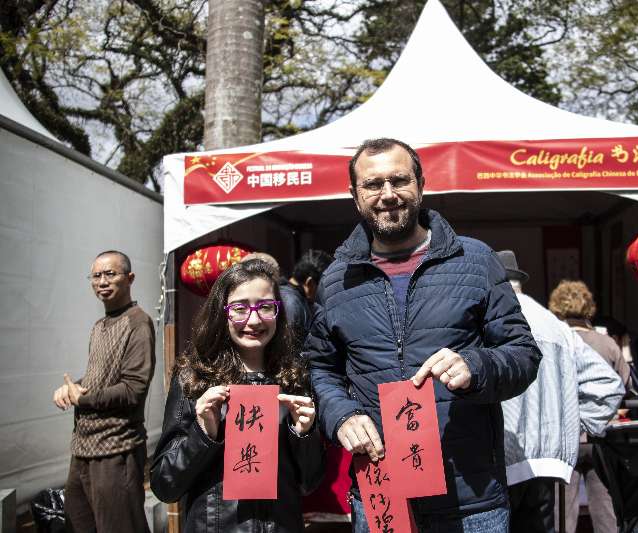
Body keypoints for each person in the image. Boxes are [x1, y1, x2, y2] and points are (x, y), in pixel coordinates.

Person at [305, 138, 540, 531]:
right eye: (373, 184)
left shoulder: (475, 260)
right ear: (354, 195)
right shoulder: (336, 280)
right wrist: (341, 414)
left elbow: (523, 354)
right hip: (381, 492)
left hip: (471, 499)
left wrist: (476, 366)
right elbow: (320, 368)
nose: (388, 195)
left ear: (421, 185)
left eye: (399, 180)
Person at [150, 259, 325, 532]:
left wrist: (304, 434)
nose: (254, 320)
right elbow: (164, 485)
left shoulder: (293, 376)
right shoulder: (195, 377)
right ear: (222, 313)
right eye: (239, 308)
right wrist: (204, 434)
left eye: (266, 307)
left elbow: (310, 482)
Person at [498, 251, 624, 533]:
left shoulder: (490, 318)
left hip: (501, 458)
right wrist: (571, 426)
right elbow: (609, 385)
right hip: (546, 461)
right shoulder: (555, 325)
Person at [52, 250, 155, 533]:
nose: (102, 281)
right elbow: (100, 377)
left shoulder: (138, 322)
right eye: (96, 276)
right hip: (83, 446)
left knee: (119, 527)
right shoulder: (100, 326)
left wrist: (83, 398)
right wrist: (71, 387)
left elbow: (133, 389)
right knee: (81, 522)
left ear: (130, 278)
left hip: (116, 448)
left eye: (111, 274)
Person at [548, 280, 628, 533]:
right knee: (605, 506)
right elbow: (622, 383)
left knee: (562, 511)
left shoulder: (553, 342)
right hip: (600, 435)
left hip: (564, 435)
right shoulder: (607, 343)